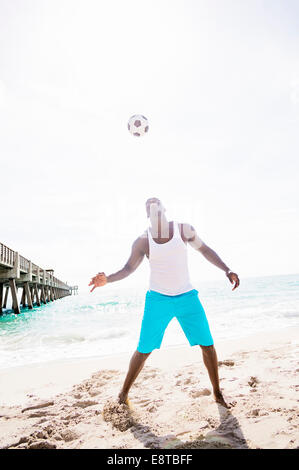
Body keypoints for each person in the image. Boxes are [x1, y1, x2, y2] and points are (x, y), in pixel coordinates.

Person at [89, 197, 240, 408]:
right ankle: (123, 395)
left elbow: (204, 250)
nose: (154, 211)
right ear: (147, 215)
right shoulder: (142, 241)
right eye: (150, 209)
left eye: (157, 206)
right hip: (158, 299)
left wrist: (227, 269)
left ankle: (217, 393)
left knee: (208, 344)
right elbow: (128, 269)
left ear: (164, 209)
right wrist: (108, 279)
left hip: (187, 297)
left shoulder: (184, 230)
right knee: (144, 349)